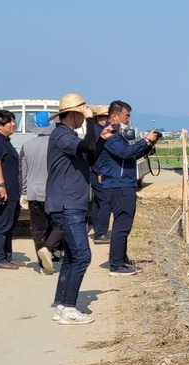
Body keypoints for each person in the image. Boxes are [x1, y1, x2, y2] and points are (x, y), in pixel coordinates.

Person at [45, 93, 113, 325]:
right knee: (83, 256)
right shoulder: (62, 135)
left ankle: (62, 305)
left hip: (71, 203)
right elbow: (88, 144)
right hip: (67, 203)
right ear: (74, 114)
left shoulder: (69, 136)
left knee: (72, 257)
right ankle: (69, 308)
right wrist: (93, 122)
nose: (86, 118)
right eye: (83, 115)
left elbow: (91, 155)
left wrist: (101, 137)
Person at [100, 100, 158, 276]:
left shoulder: (120, 137)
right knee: (122, 225)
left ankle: (122, 260)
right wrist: (144, 140)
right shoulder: (112, 136)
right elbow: (124, 153)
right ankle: (116, 265)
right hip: (119, 185)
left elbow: (130, 156)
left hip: (124, 184)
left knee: (124, 224)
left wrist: (148, 145)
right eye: (127, 116)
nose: (128, 119)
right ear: (115, 116)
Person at [19, 111, 61, 274]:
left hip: (34, 192)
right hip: (54, 191)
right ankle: (51, 251)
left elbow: (22, 171)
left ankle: (42, 262)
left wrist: (23, 192)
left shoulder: (27, 145)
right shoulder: (57, 144)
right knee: (58, 224)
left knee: (38, 228)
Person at [0, 110, 21, 270]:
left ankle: (7, 257)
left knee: (9, 225)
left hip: (12, 192)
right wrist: (1, 186)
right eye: (10, 121)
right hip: (3, 191)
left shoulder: (5, 141)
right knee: (1, 224)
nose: (13, 124)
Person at [89, 105, 112, 244]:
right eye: (105, 117)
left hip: (96, 170)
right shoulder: (98, 132)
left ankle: (98, 229)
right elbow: (96, 154)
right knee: (105, 201)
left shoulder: (98, 130)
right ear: (99, 118)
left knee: (98, 201)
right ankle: (101, 233)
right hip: (97, 170)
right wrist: (99, 171)